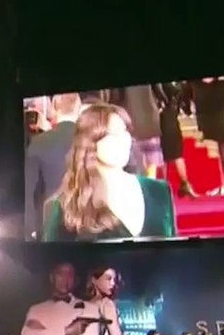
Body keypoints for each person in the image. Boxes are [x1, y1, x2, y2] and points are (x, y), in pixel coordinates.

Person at [42, 103, 177, 242]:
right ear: (90, 142)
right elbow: (51, 261)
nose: (123, 140)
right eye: (113, 134)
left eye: (125, 131)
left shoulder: (158, 191)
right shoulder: (68, 205)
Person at [24, 92, 82, 239]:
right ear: (79, 107)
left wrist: (29, 229)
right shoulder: (90, 139)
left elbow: (30, 189)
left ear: (54, 108)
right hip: (87, 222)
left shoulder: (39, 142)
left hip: (49, 224)